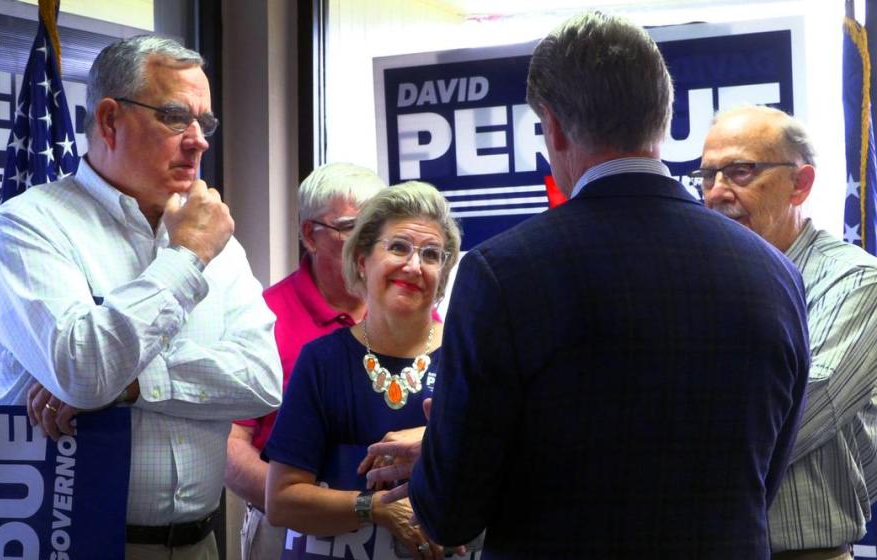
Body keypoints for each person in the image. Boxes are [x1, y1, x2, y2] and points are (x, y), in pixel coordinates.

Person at [365, 11, 810, 558]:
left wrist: (441, 455)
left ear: (551, 126)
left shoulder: (502, 274)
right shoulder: (777, 273)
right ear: (665, 119)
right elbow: (761, 481)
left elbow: (450, 515)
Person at [0, 35, 283, 560]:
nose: (197, 141)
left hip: (200, 543)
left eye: (204, 123)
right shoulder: (28, 226)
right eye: (174, 117)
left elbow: (262, 381)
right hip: (69, 542)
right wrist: (185, 256)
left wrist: (134, 384)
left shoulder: (215, 240)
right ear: (111, 119)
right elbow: (84, 370)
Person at [698, 105, 877, 560]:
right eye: (707, 176)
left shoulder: (854, 279)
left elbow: (802, 409)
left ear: (801, 185)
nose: (717, 193)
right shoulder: (694, 280)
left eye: (740, 172)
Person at [264, 181, 461, 560]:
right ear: (361, 261)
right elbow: (282, 501)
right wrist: (375, 508)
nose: (414, 266)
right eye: (399, 247)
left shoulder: (469, 357)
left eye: (432, 254)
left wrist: (435, 437)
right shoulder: (322, 361)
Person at [224, 162, 384, 559]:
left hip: (392, 523)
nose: (370, 245)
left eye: (379, 228)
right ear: (310, 235)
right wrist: (314, 505)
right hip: (289, 528)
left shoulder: (406, 311)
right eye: (353, 228)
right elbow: (227, 447)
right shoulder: (262, 318)